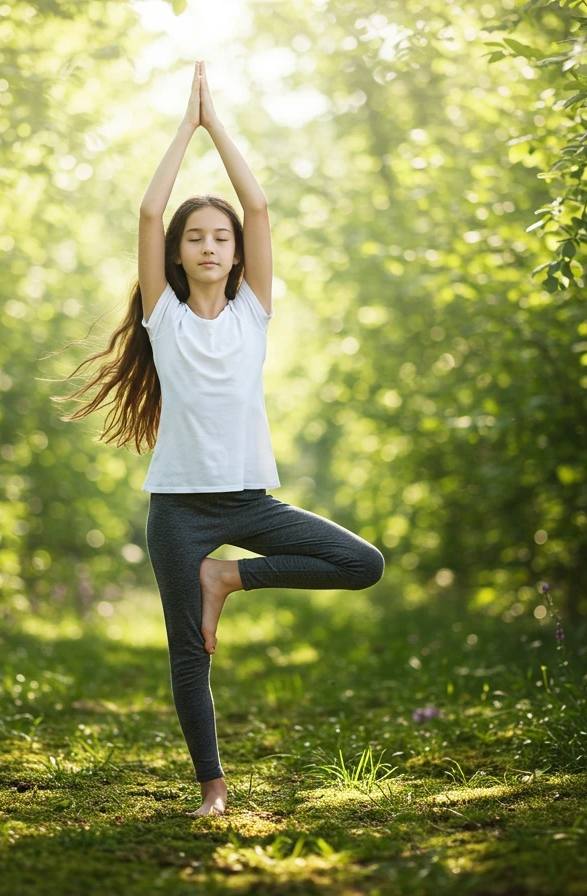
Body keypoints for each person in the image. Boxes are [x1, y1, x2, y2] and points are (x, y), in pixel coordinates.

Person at [55, 61, 384, 817]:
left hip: (247, 504)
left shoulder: (253, 314)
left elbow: (260, 206)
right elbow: (147, 213)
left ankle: (225, 580)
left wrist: (217, 123)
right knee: (188, 656)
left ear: (237, 254)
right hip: (178, 509)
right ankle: (213, 789)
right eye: (195, 238)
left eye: (221, 238)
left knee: (361, 563)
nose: (209, 245)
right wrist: (183, 128)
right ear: (177, 256)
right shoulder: (163, 316)